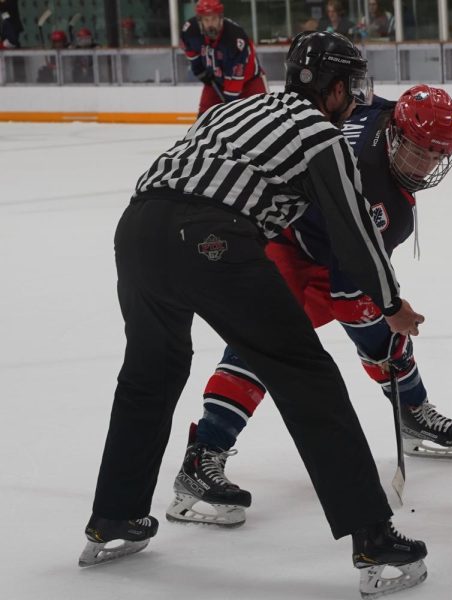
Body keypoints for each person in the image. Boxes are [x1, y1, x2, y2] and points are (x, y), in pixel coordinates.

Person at [78, 31, 428, 598]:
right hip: (212, 237)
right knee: (306, 376)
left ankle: (114, 518)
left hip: (138, 227)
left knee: (150, 374)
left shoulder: (239, 108)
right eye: (352, 86)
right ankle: (374, 539)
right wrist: (390, 303)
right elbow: (354, 232)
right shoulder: (321, 132)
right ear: (335, 88)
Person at [166, 84, 452, 528]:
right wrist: (390, 312)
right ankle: (204, 454)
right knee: (266, 342)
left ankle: (412, 409)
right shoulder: (380, 196)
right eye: (416, 152)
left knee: (375, 325)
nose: (423, 165)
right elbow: (352, 289)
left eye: (434, 156)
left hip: (324, 236)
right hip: (286, 241)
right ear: (394, 135)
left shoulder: (385, 113)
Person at [180, 0, 267, 116]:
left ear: (221, 18)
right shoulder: (190, 31)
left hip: (250, 83)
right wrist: (200, 72)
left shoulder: (234, 39)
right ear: (199, 20)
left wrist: (229, 109)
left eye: (214, 19)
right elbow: (192, 53)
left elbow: (233, 85)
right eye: (206, 20)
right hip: (215, 81)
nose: (210, 24)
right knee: (204, 119)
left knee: (260, 120)